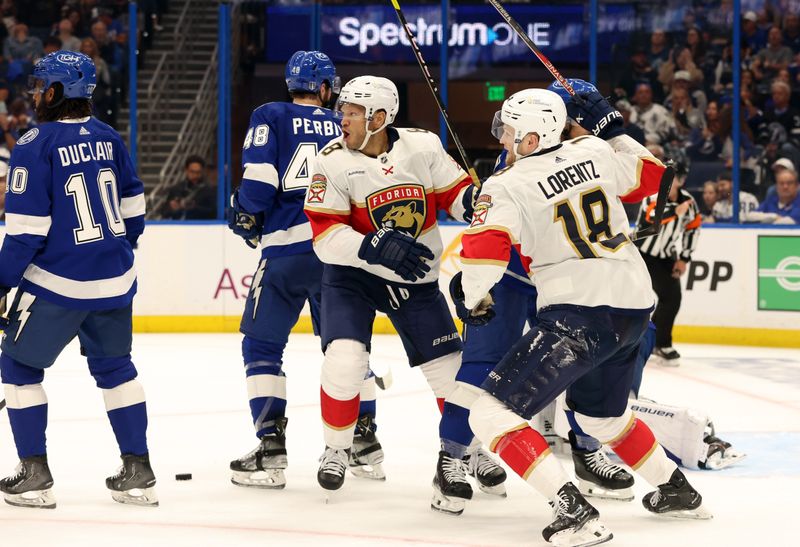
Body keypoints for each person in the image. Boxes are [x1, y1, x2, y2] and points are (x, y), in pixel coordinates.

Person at [453, 88, 710, 545]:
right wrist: (614, 131)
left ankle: (574, 512)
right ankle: (678, 491)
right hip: (633, 306)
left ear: (532, 138)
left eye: (510, 131)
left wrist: (468, 295)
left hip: (579, 312)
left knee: (490, 414)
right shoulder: (591, 149)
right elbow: (654, 177)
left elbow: (484, 255)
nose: (503, 140)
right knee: (601, 418)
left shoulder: (506, 183)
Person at [303, 75, 503, 502]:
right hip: (352, 277)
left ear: (379, 117)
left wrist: (474, 201)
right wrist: (372, 245)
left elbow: (457, 196)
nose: (342, 119)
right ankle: (336, 448)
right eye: (343, 110)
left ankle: (468, 449)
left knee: (451, 373)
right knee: (345, 360)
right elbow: (324, 237)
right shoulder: (332, 160)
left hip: (414, 278)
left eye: (352, 113)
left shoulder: (423, 146)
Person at [226, 51, 388, 489]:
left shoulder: (271, 114)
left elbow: (258, 184)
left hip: (287, 252)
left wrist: (245, 211)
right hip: (340, 252)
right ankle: (364, 442)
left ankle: (271, 448)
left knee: (261, 348)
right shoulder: (345, 124)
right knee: (347, 350)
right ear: (325, 88)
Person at [0, 51, 154, 508]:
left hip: (58, 281)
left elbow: (26, 234)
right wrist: (115, 251)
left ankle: (34, 474)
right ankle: (139, 470)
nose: (33, 93)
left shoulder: (34, 143)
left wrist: (2, 281)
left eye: (40, 85)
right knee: (115, 369)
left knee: (18, 368)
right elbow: (134, 210)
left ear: (55, 92)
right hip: (116, 277)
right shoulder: (108, 136)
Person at [635, 162, 701, 366]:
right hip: (642, 254)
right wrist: (675, 211)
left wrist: (684, 258)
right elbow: (652, 217)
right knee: (637, 300)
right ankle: (644, 342)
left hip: (666, 256)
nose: (670, 183)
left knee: (672, 298)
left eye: (674, 179)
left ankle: (659, 343)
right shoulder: (652, 196)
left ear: (681, 181)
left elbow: (693, 229)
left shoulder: (689, 201)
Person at [158, 155, 216, 220]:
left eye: (198, 172)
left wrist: (194, 207)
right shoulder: (177, 189)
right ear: (186, 170)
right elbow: (163, 212)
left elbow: (214, 212)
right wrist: (171, 207)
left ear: (202, 171)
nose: (195, 175)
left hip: (200, 227)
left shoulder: (209, 190)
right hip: (178, 227)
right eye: (192, 172)